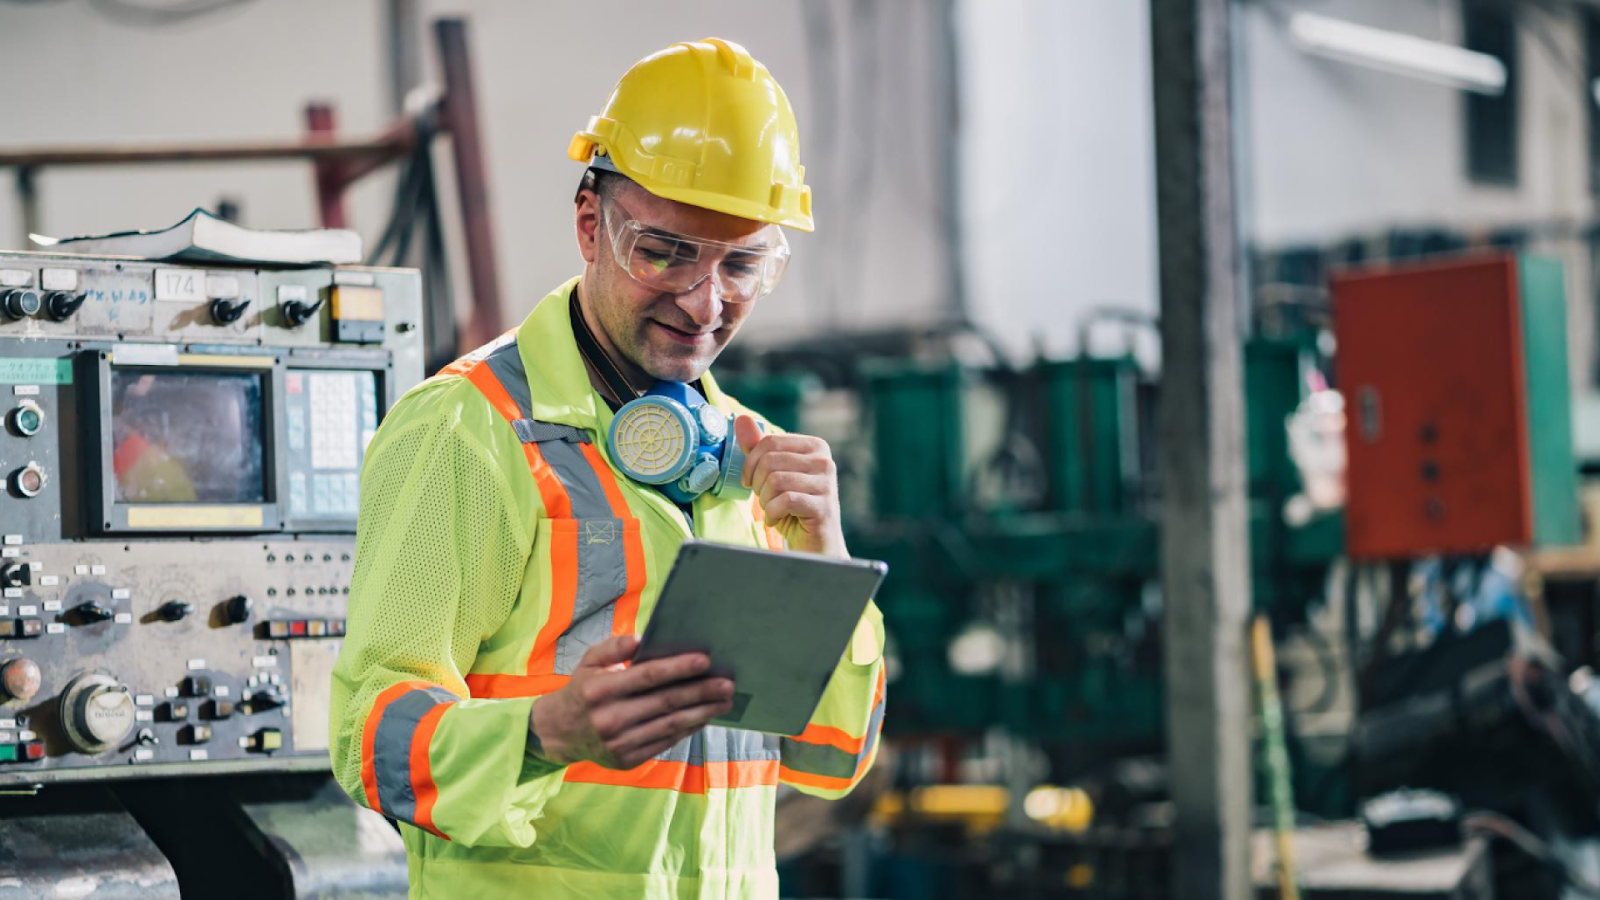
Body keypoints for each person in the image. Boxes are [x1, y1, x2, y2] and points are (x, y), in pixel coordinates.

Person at [328, 38, 886, 899]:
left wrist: (827, 562)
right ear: (591, 224)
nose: (705, 303)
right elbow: (369, 741)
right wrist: (543, 734)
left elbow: (831, 763)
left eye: (741, 264)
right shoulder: (467, 431)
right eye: (665, 252)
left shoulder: (753, 455)